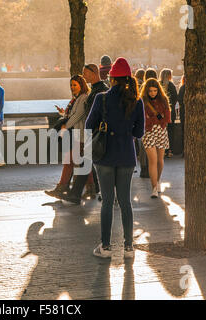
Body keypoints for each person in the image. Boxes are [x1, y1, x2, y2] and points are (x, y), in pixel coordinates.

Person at [86, 57, 145, 259]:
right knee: (125, 202)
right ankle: (129, 248)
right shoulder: (137, 101)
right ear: (129, 78)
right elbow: (139, 132)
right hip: (127, 156)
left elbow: (88, 125)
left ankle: (105, 247)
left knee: (107, 202)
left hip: (104, 157)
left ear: (111, 79)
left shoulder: (101, 98)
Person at [60, 64, 109, 204]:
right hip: (91, 132)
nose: (84, 76)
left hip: (95, 133)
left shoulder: (101, 90)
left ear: (94, 73)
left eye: (85, 73)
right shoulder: (96, 90)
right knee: (85, 162)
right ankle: (90, 190)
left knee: (85, 162)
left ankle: (77, 194)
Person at [45, 75, 89, 199]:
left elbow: (78, 115)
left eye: (75, 85)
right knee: (81, 162)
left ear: (81, 84)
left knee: (70, 160)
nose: (72, 87)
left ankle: (62, 187)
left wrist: (65, 126)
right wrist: (63, 113)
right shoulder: (76, 98)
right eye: (71, 85)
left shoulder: (83, 98)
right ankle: (90, 188)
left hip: (79, 134)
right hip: (76, 134)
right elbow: (72, 114)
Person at [141, 78, 171, 198]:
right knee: (152, 160)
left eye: (155, 90)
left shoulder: (163, 100)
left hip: (161, 131)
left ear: (158, 90)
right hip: (147, 132)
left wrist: (151, 118)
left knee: (160, 160)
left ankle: (158, 181)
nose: (153, 93)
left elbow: (167, 118)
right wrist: (156, 118)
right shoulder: (142, 102)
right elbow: (144, 119)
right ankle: (154, 188)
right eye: (150, 91)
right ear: (146, 91)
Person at [159, 68, 178, 158]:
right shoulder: (171, 85)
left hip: (159, 113)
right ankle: (170, 150)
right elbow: (175, 98)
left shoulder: (158, 84)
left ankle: (161, 150)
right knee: (170, 131)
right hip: (170, 113)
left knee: (161, 131)